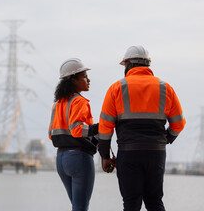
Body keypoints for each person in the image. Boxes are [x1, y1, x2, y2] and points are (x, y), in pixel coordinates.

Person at [98, 45, 186, 211]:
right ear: (147, 65)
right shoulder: (165, 88)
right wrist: (165, 140)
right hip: (156, 154)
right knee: (154, 202)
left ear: (129, 65)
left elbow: (105, 127)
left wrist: (105, 156)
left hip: (129, 153)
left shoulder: (116, 88)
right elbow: (179, 123)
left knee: (131, 204)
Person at [48, 58, 99, 211]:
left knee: (76, 207)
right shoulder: (79, 102)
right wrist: (101, 127)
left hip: (61, 160)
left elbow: (51, 134)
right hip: (79, 158)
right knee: (80, 207)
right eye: (84, 76)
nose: (88, 80)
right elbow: (77, 130)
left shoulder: (56, 105)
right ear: (73, 80)